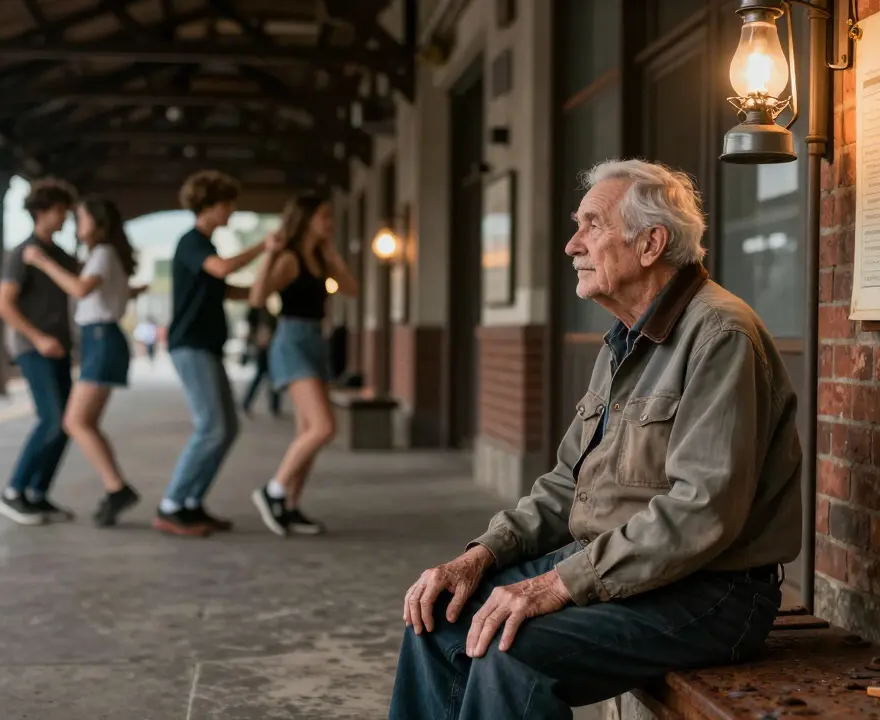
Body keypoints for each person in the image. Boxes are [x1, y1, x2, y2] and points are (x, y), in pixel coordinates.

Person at [388, 159, 802, 719]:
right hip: (614, 567)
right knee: (438, 617)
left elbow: (701, 510)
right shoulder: (623, 341)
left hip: (713, 594)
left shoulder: (719, 334)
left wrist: (559, 584)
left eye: (592, 225)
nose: (571, 244)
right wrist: (484, 554)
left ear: (651, 243)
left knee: (511, 653)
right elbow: (567, 483)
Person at [155, 170, 282, 538]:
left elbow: (232, 291)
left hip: (206, 347)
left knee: (226, 428)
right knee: (212, 427)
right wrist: (265, 247)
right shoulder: (192, 242)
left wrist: (272, 281)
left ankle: (191, 502)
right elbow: (223, 269)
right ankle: (171, 504)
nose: (231, 211)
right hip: (190, 346)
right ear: (209, 206)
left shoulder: (205, 247)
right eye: (228, 204)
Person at [23, 196, 143, 528]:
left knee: (75, 422)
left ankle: (117, 487)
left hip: (102, 340)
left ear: (98, 223)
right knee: (83, 422)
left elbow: (80, 289)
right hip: (100, 340)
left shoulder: (103, 253)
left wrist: (42, 261)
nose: (77, 225)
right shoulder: (103, 255)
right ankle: (115, 487)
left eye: (82, 219)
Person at [249, 194, 357, 536]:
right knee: (324, 428)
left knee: (305, 432)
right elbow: (257, 297)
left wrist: (330, 251)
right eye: (324, 215)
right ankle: (273, 491)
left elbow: (352, 289)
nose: (329, 221)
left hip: (315, 343)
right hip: (292, 342)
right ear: (307, 218)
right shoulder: (291, 259)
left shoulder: (319, 258)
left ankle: (291, 507)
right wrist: (269, 255)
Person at [0, 178, 81, 526]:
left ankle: (37, 494)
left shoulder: (59, 254)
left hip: (59, 347)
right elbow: (4, 305)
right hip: (33, 348)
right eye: (60, 211)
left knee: (67, 422)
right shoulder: (22, 254)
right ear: (41, 212)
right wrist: (38, 337)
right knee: (51, 418)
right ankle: (14, 491)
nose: (65, 218)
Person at [240, 303, 281, 418]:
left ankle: (273, 405)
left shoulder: (268, 316)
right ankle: (272, 405)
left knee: (269, 377)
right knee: (265, 377)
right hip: (262, 349)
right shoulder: (256, 313)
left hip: (268, 348)